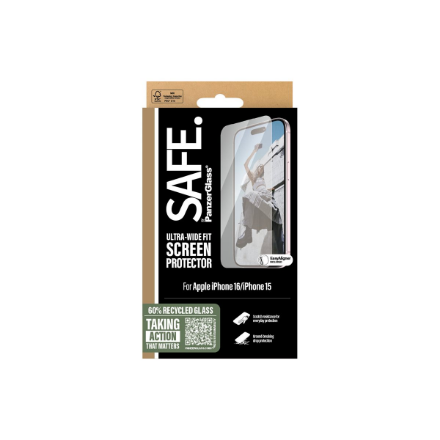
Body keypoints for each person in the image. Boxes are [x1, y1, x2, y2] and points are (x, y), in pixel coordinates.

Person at [236, 144, 284, 252]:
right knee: (249, 196)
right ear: (256, 170)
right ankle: (248, 232)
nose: (260, 168)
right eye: (259, 167)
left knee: (276, 219)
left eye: (262, 167)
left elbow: (264, 189)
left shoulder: (263, 180)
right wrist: (255, 150)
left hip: (267, 197)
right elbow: (245, 165)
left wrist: (270, 189)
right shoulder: (253, 178)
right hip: (259, 196)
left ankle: (282, 248)